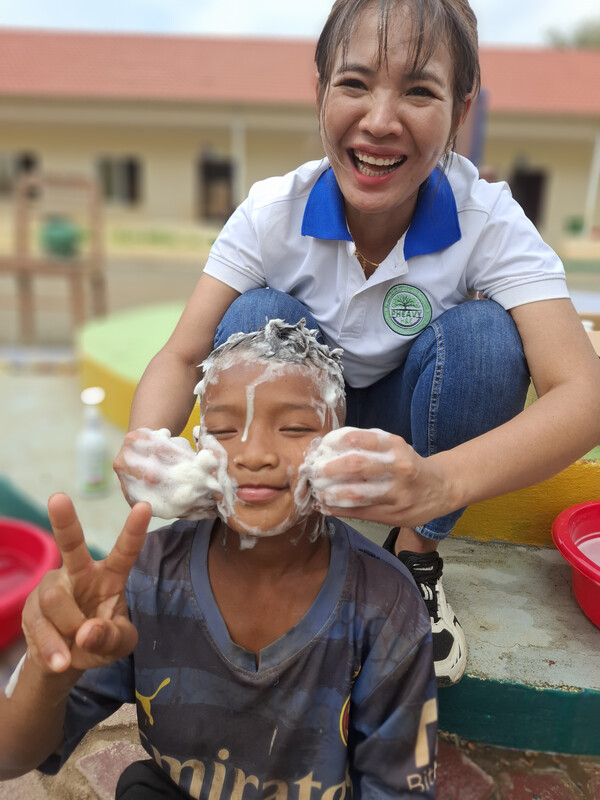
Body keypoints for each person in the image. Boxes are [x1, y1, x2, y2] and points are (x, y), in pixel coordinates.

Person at [114, 0, 600, 687]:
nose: (379, 120)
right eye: (354, 83)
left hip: (412, 428)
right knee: (255, 315)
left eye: (419, 90)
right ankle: (270, 545)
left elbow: (583, 394)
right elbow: (183, 354)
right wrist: (146, 448)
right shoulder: (272, 213)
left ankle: (414, 561)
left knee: (488, 340)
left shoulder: (485, 218)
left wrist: (438, 484)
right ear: (318, 93)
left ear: (461, 110)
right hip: (301, 423)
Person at [0, 321, 438, 799]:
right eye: (225, 430)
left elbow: (398, 788)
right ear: (195, 447)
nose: (253, 454)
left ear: (339, 444)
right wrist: (47, 670)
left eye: (294, 427)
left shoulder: (385, 600)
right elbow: (11, 757)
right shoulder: (148, 576)